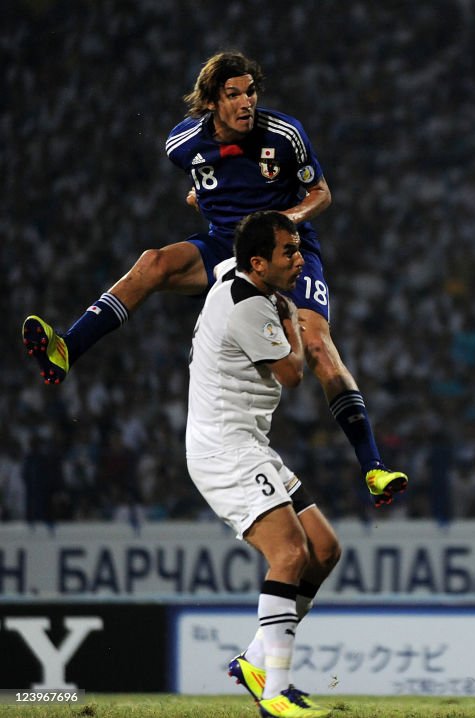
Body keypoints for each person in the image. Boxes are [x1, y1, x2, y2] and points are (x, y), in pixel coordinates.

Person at [21, 50, 406, 506]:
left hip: (287, 247)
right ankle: (67, 348)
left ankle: (374, 468)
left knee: (318, 344)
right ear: (210, 103)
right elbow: (202, 184)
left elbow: (320, 192)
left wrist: (286, 218)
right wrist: (202, 198)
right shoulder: (180, 145)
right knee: (154, 263)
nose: (247, 103)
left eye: (251, 92)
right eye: (234, 95)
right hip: (227, 245)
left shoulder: (285, 135)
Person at [188, 211, 335, 717]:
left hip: (248, 443)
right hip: (224, 448)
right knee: (291, 554)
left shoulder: (234, 271)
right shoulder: (249, 307)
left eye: (297, 248)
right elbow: (293, 374)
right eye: (289, 253)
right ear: (258, 263)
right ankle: (276, 691)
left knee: (325, 549)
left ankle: (253, 660)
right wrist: (294, 316)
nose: (300, 259)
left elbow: (222, 257)